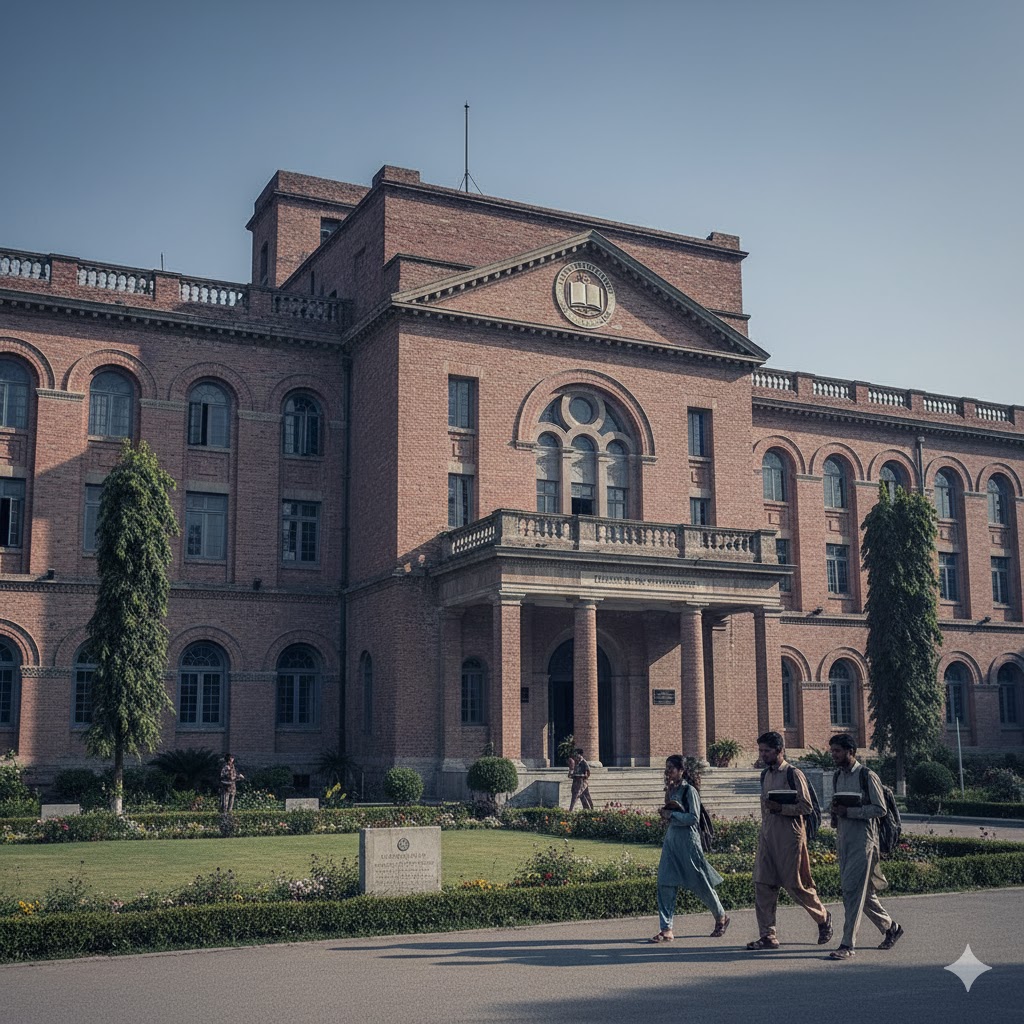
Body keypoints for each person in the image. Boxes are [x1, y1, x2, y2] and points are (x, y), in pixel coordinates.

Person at [746, 731, 833, 950]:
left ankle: (823, 918)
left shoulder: (793, 774)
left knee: (795, 884)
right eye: (761, 751)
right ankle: (768, 935)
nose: (763, 755)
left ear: (779, 750)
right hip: (768, 836)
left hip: (790, 836)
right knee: (763, 883)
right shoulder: (765, 775)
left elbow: (807, 806)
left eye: (767, 751)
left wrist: (782, 808)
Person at [828, 732, 904, 960]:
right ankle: (891, 927)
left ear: (851, 752)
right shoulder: (837, 776)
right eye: (832, 751)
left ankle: (847, 944)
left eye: (837, 751)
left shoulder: (867, 776)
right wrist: (836, 812)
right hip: (844, 842)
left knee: (852, 893)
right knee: (863, 895)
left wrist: (850, 811)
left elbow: (880, 809)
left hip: (864, 843)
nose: (834, 755)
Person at [648, 754, 730, 942]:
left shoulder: (689, 791)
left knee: (700, 882)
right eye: (666, 767)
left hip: (688, 841)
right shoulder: (670, 790)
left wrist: (673, 816)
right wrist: (665, 814)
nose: (668, 771)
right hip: (672, 841)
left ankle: (721, 916)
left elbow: (694, 817)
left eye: (672, 768)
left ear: (681, 771)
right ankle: (666, 928)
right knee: (664, 882)